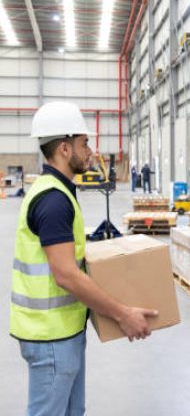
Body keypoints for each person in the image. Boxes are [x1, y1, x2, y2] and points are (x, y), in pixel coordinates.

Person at [10, 101, 158, 416]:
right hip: (50, 337)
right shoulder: (53, 201)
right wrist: (122, 314)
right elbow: (65, 275)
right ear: (65, 148)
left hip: (63, 331)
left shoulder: (58, 192)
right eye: (84, 143)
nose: (90, 150)